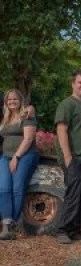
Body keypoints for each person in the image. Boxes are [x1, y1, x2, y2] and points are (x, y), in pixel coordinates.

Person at [54, 70, 81, 244]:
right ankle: (62, 230)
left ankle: (74, 229)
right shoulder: (67, 104)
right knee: (72, 193)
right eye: (80, 83)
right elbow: (61, 130)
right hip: (73, 157)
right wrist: (67, 156)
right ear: (73, 84)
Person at [0, 90, 40, 240]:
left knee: (17, 188)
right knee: (3, 188)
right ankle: (7, 223)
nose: (12, 101)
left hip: (25, 155)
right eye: (9, 99)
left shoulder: (27, 114)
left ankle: (12, 224)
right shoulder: (6, 117)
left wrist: (16, 157)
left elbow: (29, 138)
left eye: (15, 99)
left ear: (20, 100)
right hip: (6, 156)